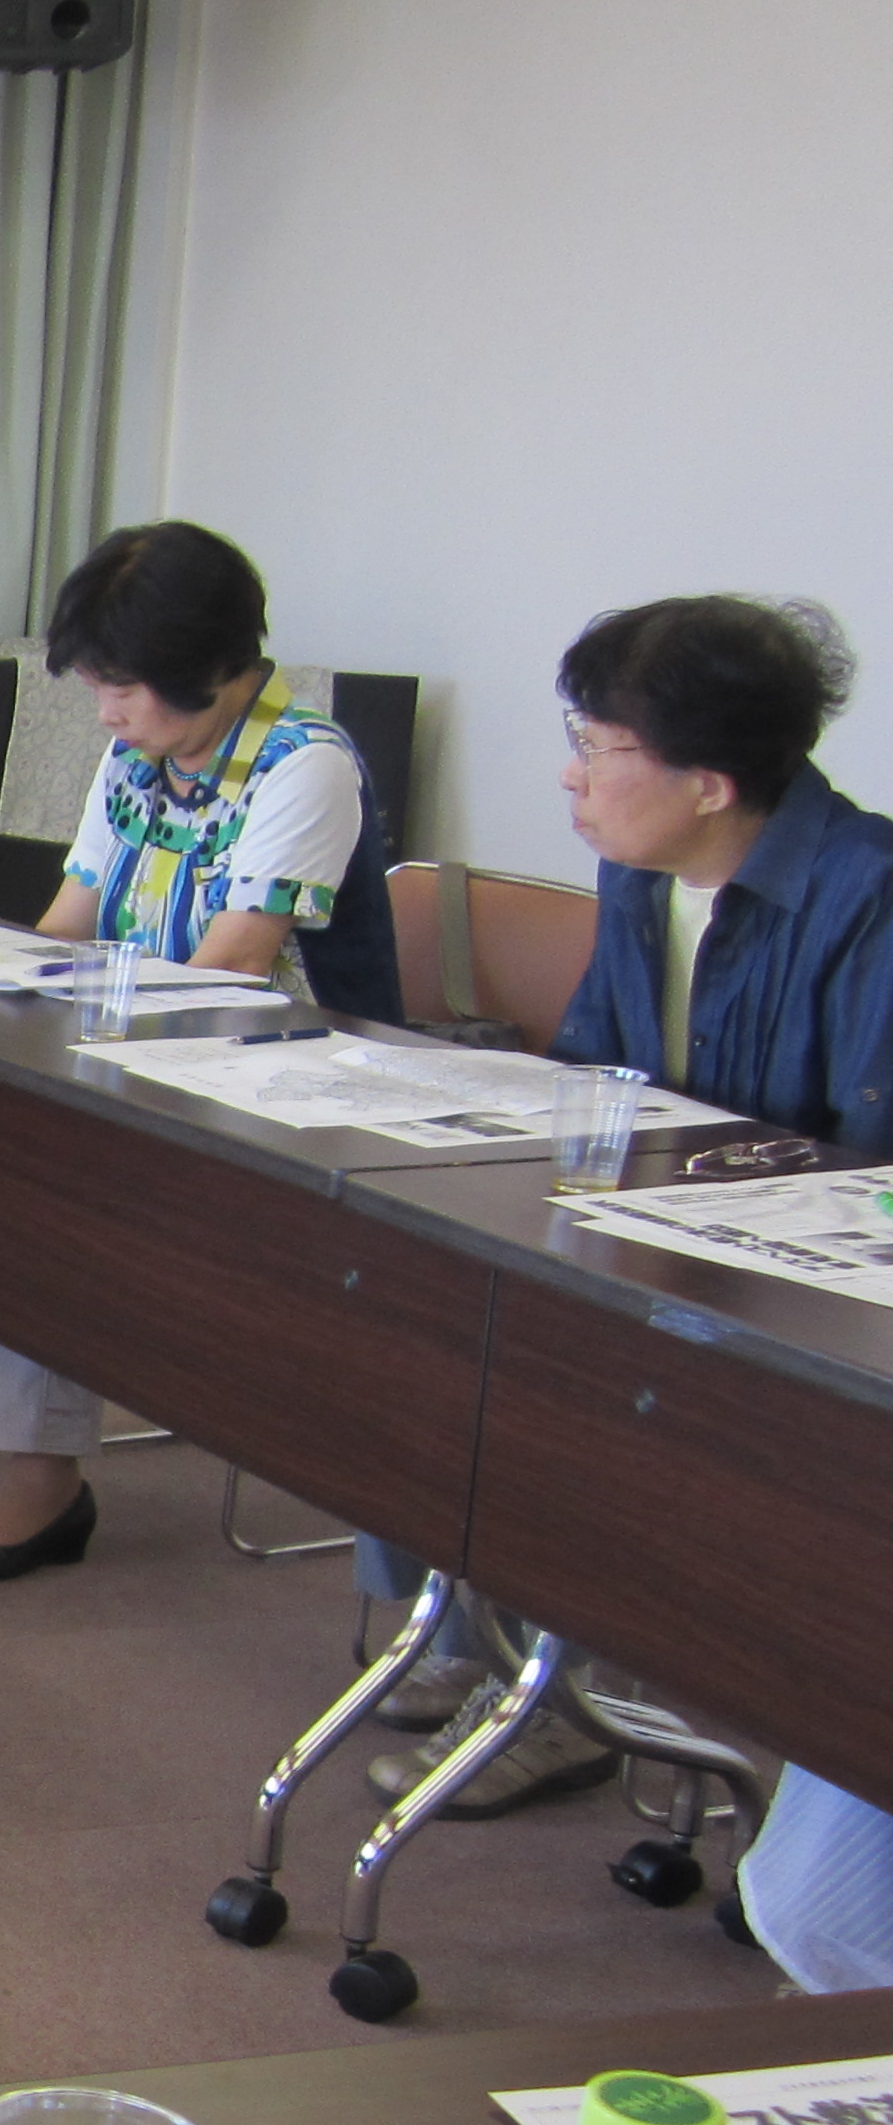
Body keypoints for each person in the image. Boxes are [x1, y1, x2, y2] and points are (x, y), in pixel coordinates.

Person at [369, 595, 893, 1813]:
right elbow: (596, 1071)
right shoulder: (641, 875)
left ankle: (560, 1701)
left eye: (599, 747)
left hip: (802, 1294)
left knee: (564, 1380)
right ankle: (483, 1637)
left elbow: (866, 1163)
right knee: (428, 1304)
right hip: (659, 1237)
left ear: (708, 784)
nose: (571, 775)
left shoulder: (868, 893)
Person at [0, 521, 377, 1580]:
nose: (103, 709)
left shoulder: (306, 765)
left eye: (122, 685)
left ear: (209, 666)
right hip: (134, 1048)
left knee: (47, 1173)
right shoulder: (139, 757)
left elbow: (234, 970)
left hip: (271, 1081)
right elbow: (68, 920)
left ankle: (44, 1476)